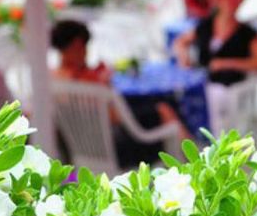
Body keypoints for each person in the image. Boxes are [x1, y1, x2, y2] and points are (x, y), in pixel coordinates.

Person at [50, 19, 185, 167]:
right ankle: (191, 162)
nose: (86, 52)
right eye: (84, 47)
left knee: (156, 109)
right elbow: (114, 117)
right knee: (163, 110)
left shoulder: (52, 78)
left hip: (76, 151)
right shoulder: (87, 86)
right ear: (77, 44)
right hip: (111, 149)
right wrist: (104, 83)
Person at [173, 0, 257, 87]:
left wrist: (226, 63)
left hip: (231, 88)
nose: (232, 1)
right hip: (201, 82)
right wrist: (183, 57)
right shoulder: (206, 25)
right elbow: (181, 41)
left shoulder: (248, 33)